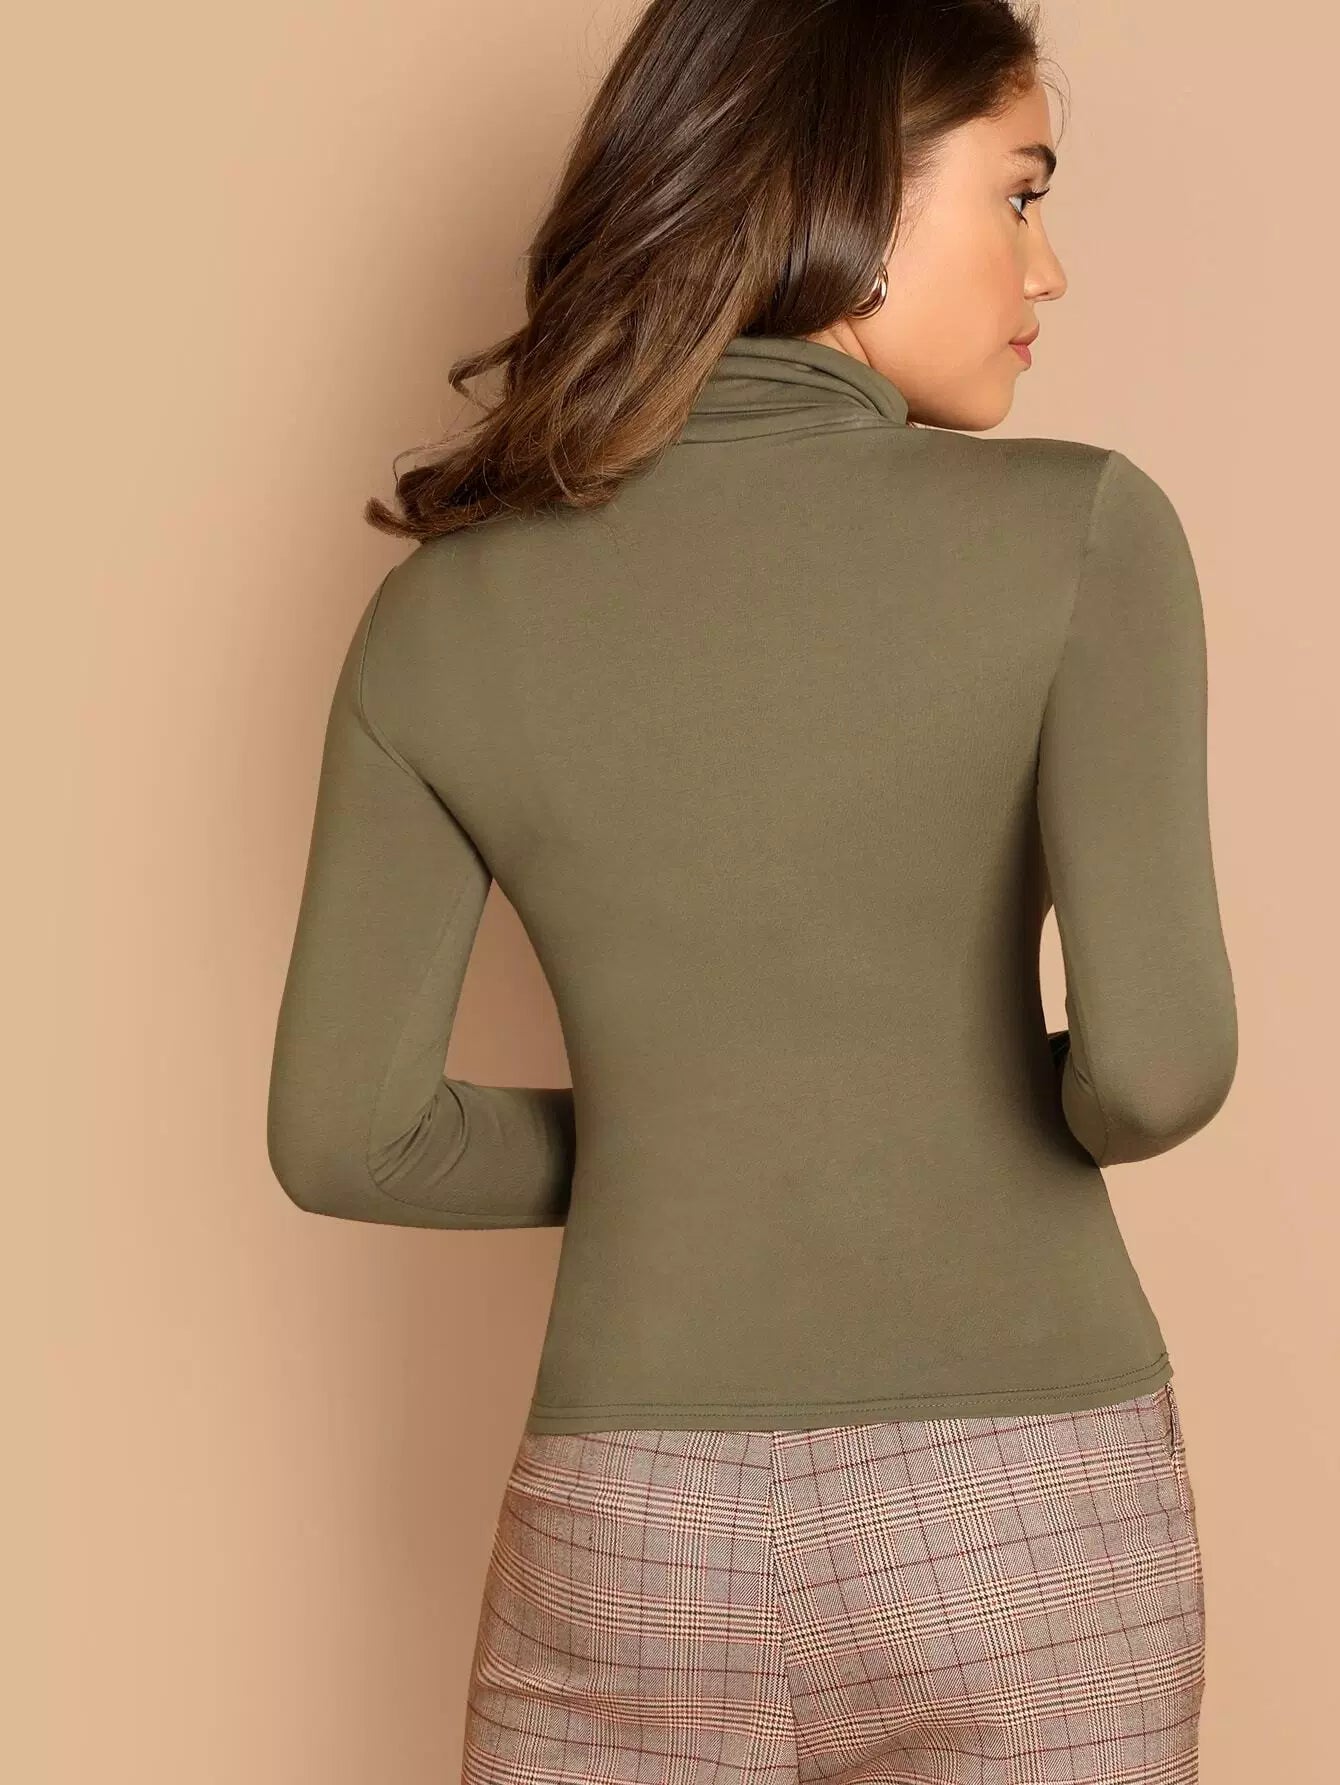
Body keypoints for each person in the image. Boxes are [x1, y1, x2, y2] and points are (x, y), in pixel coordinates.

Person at [265, 1, 1238, 1777]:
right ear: (850, 185)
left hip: (628, 1525)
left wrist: (690, 1131)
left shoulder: (443, 615)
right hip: (1028, 1516)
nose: (1050, 266)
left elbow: (351, 1137)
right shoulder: (1087, 534)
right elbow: (1156, 1071)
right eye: (1021, 192)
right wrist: (902, 1109)